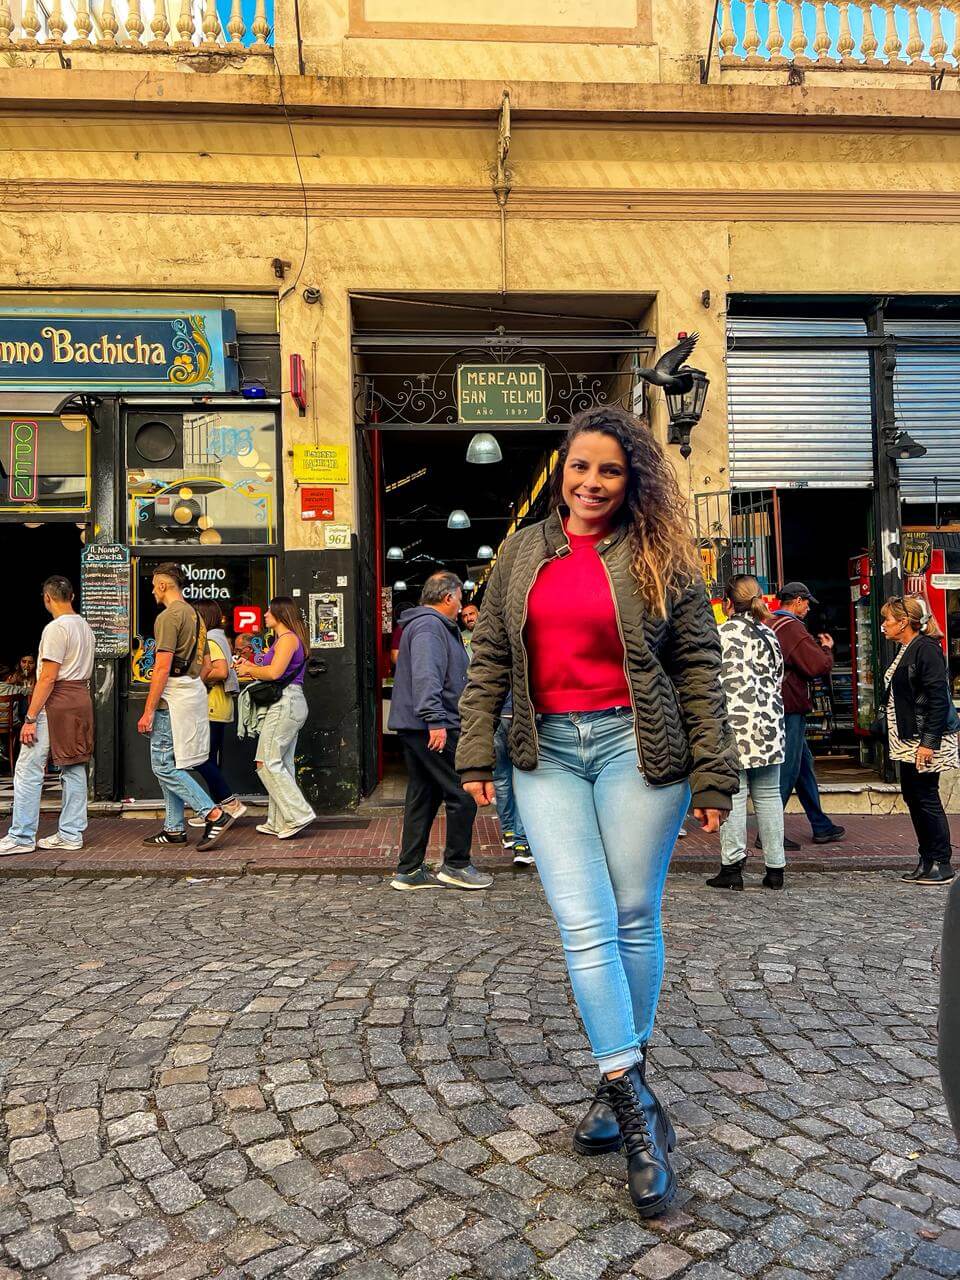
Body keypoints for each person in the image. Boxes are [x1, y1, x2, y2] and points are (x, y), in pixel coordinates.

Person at [457, 406, 738, 1218]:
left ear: (632, 479)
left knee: (633, 911)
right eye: (580, 468)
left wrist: (714, 775)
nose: (591, 483)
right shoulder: (521, 551)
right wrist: (478, 751)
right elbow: (491, 659)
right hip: (545, 753)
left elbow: (697, 668)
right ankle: (633, 1102)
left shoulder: (662, 556)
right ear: (563, 471)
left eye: (609, 471)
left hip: (637, 748)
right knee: (584, 923)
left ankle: (620, 1074)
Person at [388, 572, 489, 891]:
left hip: (421, 724)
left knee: (424, 793)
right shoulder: (431, 626)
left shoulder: (425, 625)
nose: (461, 606)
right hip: (433, 724)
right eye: (459, 598)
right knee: (463, 790)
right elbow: (427, 675)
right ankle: (456, 865)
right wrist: (436, 720)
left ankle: (410, 869)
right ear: (448, 598)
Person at [136, 563, 234, 851]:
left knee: (164, 765)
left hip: (173, 696)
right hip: (192, 692)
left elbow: (162, 667)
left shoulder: (169, 617)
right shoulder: (196, 616)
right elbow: (205, 665)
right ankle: (174, 828)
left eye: (155, 585)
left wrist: (148, 709)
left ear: (164, 585)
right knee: (176, 763)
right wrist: (193, 690)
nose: (153, 590)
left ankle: (213, 813)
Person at [0, 576, 95, 856]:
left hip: (56, 701)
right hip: (81, 698)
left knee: (28, 768)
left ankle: (21, 835)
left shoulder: (56, 629)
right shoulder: (85, 627)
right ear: (73, 596)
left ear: (47, 598)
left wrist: (30, 718)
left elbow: (49, 677)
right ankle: (71, 832)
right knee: (74, 766)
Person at [706, 575, 786, 891]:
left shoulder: (721, 635)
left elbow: (710, 682)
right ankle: (776, 867)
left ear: (727, 603)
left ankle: (732, 867)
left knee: (734, 795)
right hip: (769, 727)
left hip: (734, 727)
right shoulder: (769, 635)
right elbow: (779, 677)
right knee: (769, 796)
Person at [880, 595, 958, 887]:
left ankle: (942, 861)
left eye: (887, 620)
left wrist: (929, 742)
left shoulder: (926, 649)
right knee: (914, 797)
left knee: (926, 797)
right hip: (907, 738)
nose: (883, 625)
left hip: (924, 739)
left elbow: (938, 698)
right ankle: (926, 859)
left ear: (903, 622)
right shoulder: (906, 648)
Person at [769, 582, 845, 849]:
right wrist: (826, 648)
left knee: (803, 766)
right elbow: (816, 665)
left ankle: (821, 825)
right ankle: (769, 831)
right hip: (790, 704)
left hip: (777, 702)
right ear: (797, 601)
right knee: (788, 768)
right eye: (807, 603)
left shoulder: (769, 622)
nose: (809, 607)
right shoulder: (792, 628)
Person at [233, 597, 315, 839]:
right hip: (290, 703)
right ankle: (278, 821)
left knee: (266, 762)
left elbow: (274, 672)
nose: (265, 614)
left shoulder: (288, 639)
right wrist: (249, 662)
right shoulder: (283, 640)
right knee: (283, 764)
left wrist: (248, 669)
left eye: (269, 611)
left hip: (285, 704)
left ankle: (298, 815)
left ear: (280, 614)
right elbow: (268, 663)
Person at [187, 603, 246, 829]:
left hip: (211, 705)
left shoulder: (210, 639)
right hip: (220, 706)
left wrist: (195, 676)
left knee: (202, 758)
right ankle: (216, 809)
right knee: (210, 759)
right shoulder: (220, 636)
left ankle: (226, 804)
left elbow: (221, 671)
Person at [493, 694, 534, 867]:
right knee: (526, 779)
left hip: (498, 715)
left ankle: (508, 832)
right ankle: (522, 844)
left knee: (502, 777)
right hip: (523, 716)